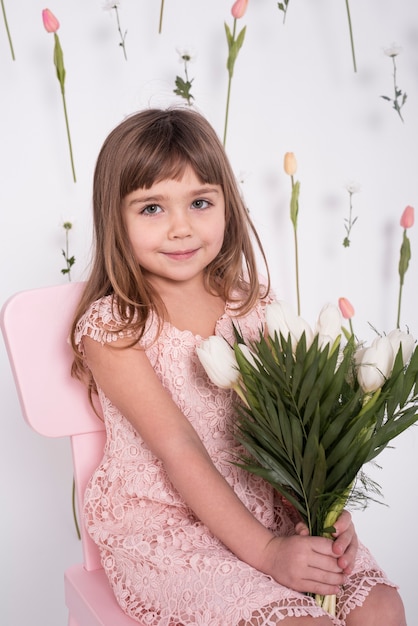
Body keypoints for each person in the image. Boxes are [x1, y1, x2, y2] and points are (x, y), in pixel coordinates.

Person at [70, 107, 406, 626]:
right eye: (152, 208)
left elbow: (302, 429)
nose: (181, 228)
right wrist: (270, 555)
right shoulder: (115, 330)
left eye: (200, 202)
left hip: (273, 509)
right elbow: (179, 448)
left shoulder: (255, 309)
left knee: (382, 608)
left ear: (228, 204)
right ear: (114, 217)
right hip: (169, 533)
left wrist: (328, 517)